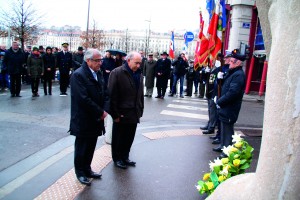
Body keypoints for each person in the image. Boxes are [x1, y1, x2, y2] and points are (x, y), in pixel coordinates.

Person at [69, 48, 109, 186]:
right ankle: (80, 172)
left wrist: (105, 109)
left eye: (101, 60)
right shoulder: (78, 75)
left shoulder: (99, 73)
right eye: (97, 60)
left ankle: (87, 169)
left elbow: (104, 92)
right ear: (88, 60)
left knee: (91, 146)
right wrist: (100, 112)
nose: (100, 63)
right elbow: (83, 99)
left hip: (96, 118)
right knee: (82, 147)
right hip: (83, 119)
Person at [108, 51, 144, 169]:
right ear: (128, 60)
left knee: (129, 137)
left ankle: (125, 156)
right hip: (121, 113)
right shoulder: (117, 73)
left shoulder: (139, 74)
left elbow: (140, 94)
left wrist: (140, 108)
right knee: (119, 138)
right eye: (136, 63)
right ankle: (117, 158)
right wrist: (115, 114)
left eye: (140, 63)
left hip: (134, 112)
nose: (139, 65)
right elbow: (112, 95)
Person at [213, 53, 246, 158]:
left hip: (230, 107)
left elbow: (233, 92)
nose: (229, 63)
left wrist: (220, 101)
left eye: (232, 61)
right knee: (223, 128)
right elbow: (223, 85)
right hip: (225, 106)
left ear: (238, 63)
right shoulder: (232, 72)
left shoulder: (238, 75)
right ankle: (223, 146)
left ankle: (227, 150)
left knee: (227, 130)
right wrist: (219, 78)